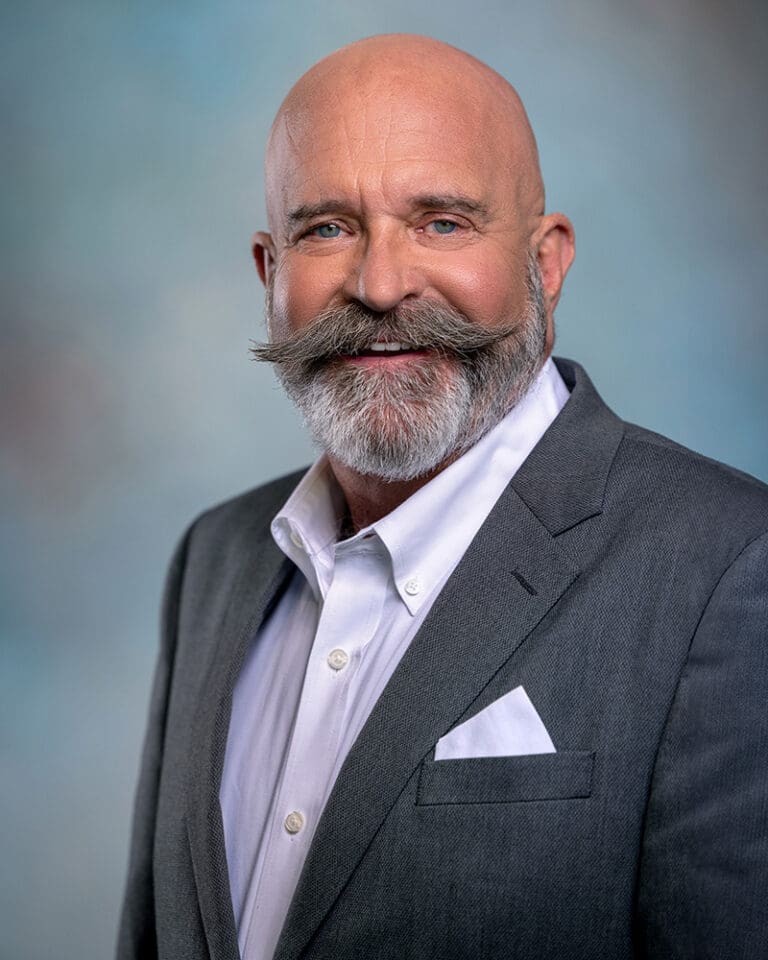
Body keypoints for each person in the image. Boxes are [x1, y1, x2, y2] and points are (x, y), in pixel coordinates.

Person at [117, 33, 768, 960]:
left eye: (443, 223)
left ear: (546, 264)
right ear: (270, 274)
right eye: (328, 228)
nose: (380, 286)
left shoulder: (729, 568)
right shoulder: (214, 561)